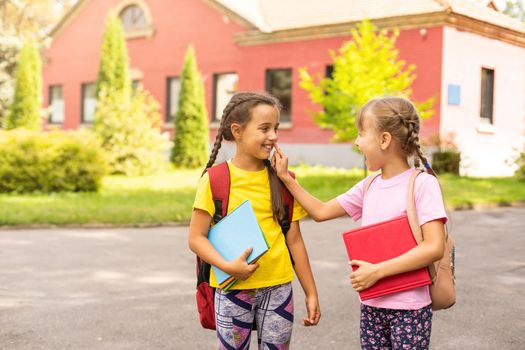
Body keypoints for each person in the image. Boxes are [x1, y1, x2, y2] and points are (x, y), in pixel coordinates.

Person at [272, 96, 447, 350]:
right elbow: (320, 211)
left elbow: (434, 247)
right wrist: (287, 179)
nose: (356, 141)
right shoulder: (369, 185)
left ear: (384, 140)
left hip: (409, 308)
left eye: (362, 133)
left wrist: (377, 271)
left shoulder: (422, 184)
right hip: (372, 305)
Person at [188, 91, 321, 349]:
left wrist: (311, 291)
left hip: (279, 288)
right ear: (237, 131)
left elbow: (294, 241)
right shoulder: (215, 179)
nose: (273, 136)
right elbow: (196, 238)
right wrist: (228, 266)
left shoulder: (284, 179)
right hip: (232, 288)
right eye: (264, 128)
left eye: (276, 128)